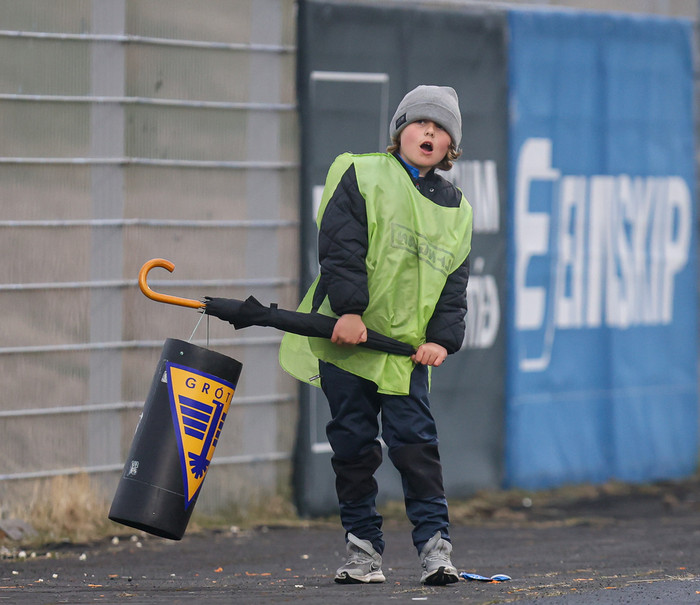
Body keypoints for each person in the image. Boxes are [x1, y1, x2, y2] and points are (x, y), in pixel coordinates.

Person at [279, 85, 472, 585]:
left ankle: (436, 551)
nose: (429, 132)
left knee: (416, 449)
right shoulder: (360, 172)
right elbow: (340, 246)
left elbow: (453, 285)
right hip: (348, 344)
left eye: (441, 128)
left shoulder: (458, 209)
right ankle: (362, 551)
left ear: (450, 147)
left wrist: (442, 339)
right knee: (353, 448)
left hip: (404, 356)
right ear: (399, 131)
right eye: (420, 122)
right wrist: (349, 311)